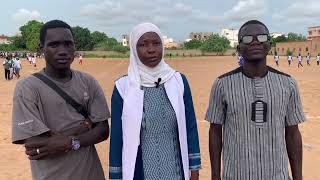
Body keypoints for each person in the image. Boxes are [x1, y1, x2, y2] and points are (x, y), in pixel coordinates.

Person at [206, 20, 305, 180]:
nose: (254, 42)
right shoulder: (222, 84)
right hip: (236, 175)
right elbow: (215, 133)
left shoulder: (288, 84)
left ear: (269, 44)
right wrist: (215, 177)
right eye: (246, 39)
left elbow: (293, 134)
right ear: (239, 48)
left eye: (261, 37)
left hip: (277, 176)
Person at [12, 20, 110, 180]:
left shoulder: (88, 81)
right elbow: (34, 144)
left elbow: (103, 131)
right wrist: (84, 127)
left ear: (74, 47)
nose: (63, 51)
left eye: (68, 44)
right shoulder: (27, 87)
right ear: (41, 48)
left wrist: (70, 142)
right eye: (54, 45)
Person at [109, 23, 201, 180]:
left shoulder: (178, 81)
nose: (151, 49)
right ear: (133, 48)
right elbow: (117, 138)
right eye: (143, 44)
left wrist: (194, 169)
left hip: (176, 169)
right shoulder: (123, 88)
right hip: (141, 171)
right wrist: (116, 176)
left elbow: (190, 126)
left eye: (156, 43)